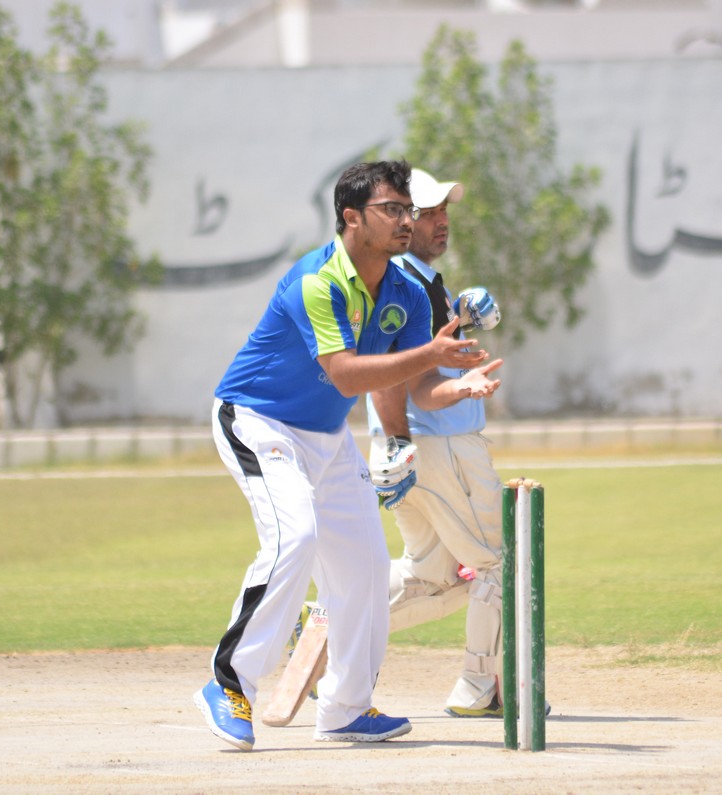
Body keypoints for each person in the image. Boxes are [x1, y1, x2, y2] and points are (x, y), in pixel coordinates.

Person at [194, 160, 503, 752]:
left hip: (327, 435)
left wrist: (456, 387)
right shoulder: (318, 280)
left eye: (408, 210)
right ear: (351, 217)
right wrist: (430, 356)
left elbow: (415, 387)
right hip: (258, 419)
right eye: (392, 210)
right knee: (296, 537)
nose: (406, 221)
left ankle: (345, 708)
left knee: (364, 566)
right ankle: (229, 683)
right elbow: (345, 374)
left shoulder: (406, 293)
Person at [366, 168, 534, 719]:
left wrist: (459, 318)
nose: (441, 222)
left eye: (444, 212)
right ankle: (480, 686)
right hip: (440, 445)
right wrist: (464, 384)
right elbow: (416, 383)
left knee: (431, 575)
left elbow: (411, 362)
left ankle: (335, 625)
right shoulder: (410, 286)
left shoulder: (408, 281)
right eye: (428, 212)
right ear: (401, 219)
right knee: (499, 564)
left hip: (407, 446)